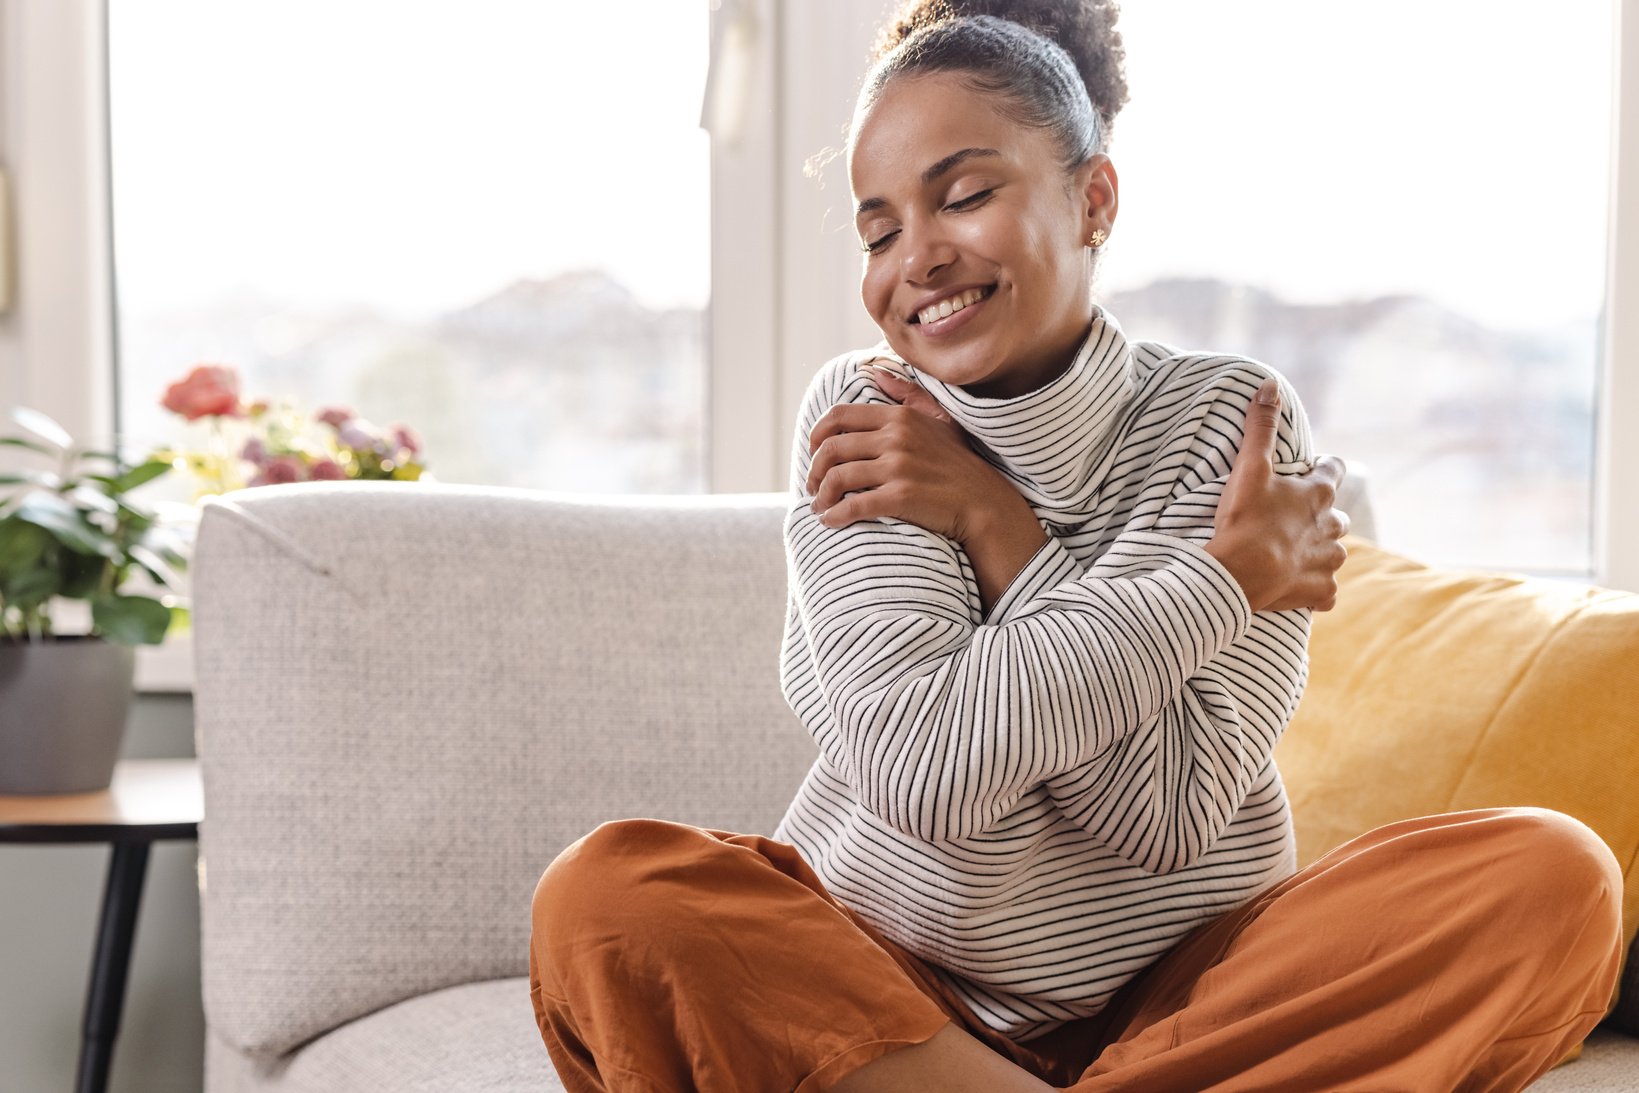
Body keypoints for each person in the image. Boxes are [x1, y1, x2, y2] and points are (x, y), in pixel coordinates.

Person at [529, 3, 1623, 1090]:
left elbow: (1168, 814)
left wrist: (999, 528)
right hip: (892, 995)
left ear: (1091, 198)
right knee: (609, 898)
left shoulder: (1226, 422)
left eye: (961, 196)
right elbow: (925, 774)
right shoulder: (867, 415)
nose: (916, 258)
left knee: (1552, 878)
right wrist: (1219, 584)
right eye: (878, 230)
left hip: (1184, 997)